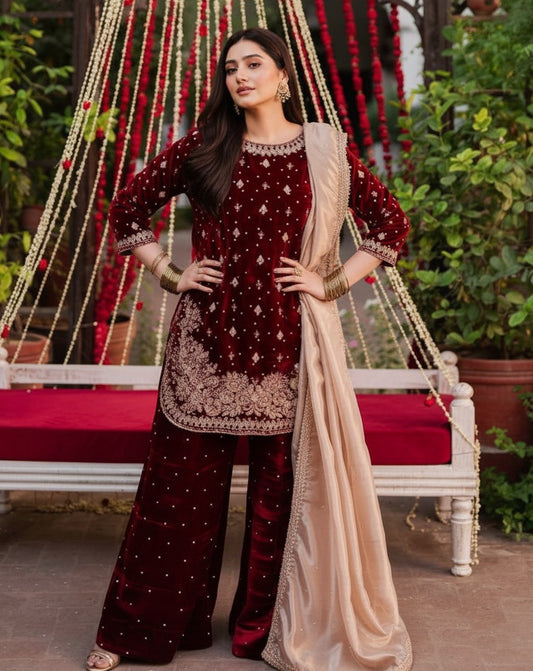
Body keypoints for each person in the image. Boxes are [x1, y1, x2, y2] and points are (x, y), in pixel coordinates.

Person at [86, 27, 412, 671]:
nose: (240, 75)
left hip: (289, 349)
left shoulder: (325, 150)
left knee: (278, 504)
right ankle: (136, 633)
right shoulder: (204, 146)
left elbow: (390, 226)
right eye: (231, 67)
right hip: (205, 349)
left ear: (283, 75)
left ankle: (265, 633)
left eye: (254, 64)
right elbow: (125, 211)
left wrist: (330, 283)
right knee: (175, 499)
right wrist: (171, 273)